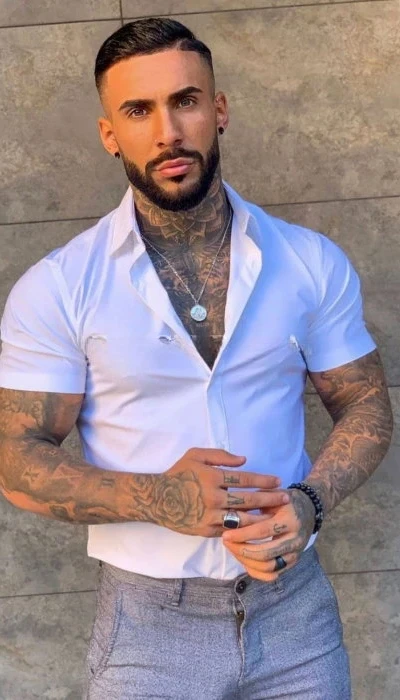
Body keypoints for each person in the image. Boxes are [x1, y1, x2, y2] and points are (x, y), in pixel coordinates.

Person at [0, 17, 393, 700]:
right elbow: (15, 455)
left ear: (219, 111)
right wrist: (155, 497)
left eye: (185, 101)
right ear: (109, 134)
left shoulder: (309, 261)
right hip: (148, 630)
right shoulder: (59, 287)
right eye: (138, 111)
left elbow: (363, 400)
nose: (168, 132)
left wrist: (310, 502)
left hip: (296, 618)